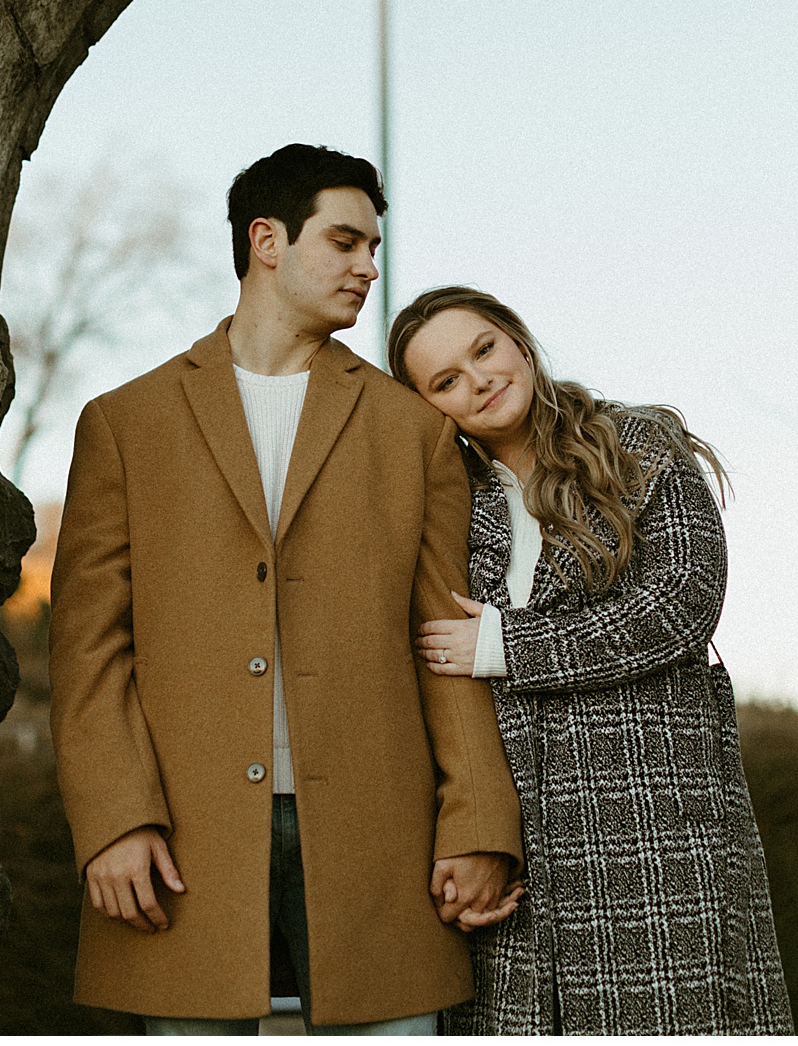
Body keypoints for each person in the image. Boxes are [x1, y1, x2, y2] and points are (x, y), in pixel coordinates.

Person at [47, 148, 524, 1034]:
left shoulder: (415, 431)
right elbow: (88, 647)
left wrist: (478, 821)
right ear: (267, 240)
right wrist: (114, 817)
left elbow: (446, 636)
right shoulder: (125, 422)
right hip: (181, 836)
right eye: (345, 241)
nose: (368, 267)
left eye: (373, 245)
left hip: (380, 835)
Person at [388, 285, 796, 1035]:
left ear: (516, 340)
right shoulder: (448, 501)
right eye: (445, 380)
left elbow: (681, 603)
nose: (477, 379)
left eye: (483, 349)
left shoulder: (639, 446)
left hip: (656, 833)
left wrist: (507, 645)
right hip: (523, 858)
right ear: (425, 406)